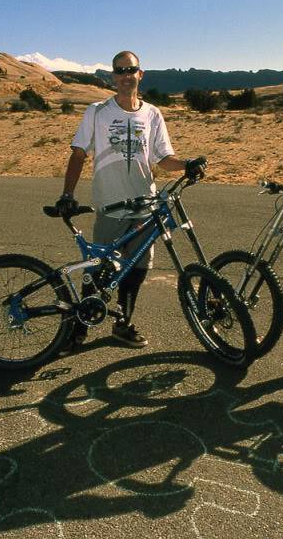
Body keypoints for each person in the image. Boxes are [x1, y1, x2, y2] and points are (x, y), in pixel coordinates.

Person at [55, 50, 206, 352]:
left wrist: (186, 163)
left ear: (140, 74)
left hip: (144, 205)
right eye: (119, 70)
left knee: (137, 266)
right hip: (110, 202)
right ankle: (80, 327)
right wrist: (67, 194)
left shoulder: (152, 114)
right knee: (99, 267)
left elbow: (163, 159)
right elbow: (78, 154)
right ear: (113, 77)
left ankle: (123, 323)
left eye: (131, 70)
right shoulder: (96, 111)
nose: (125, 75)